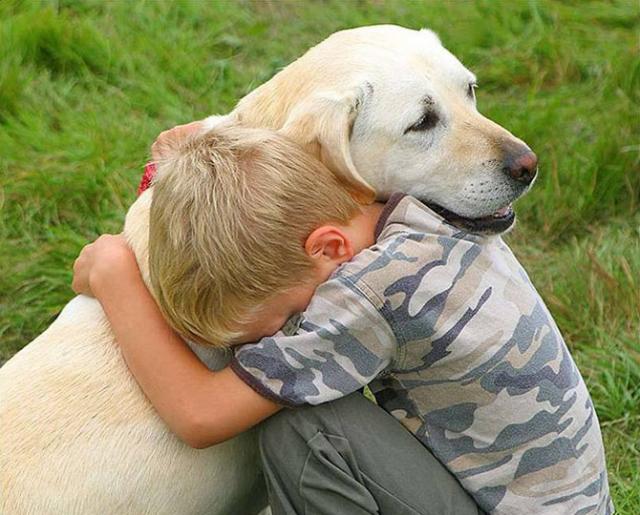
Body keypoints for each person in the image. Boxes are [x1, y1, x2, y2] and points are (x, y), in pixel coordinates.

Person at [72, 123, 612, 514]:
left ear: (328, 248)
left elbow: (199, 416)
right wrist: (197, 157)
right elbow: (268, 173)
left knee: (301, 426)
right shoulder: (405, 205)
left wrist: (115, 276)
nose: (289, 332)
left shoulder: (368, 295)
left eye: (287, 318)